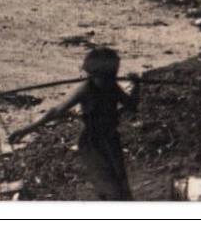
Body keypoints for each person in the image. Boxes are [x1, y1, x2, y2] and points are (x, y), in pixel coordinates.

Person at [11, 47, 141, 200]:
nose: (108, 81)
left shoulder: (111, 86)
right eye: (104, 78)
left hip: (111, 140)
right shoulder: (85, 89)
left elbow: (131, 106)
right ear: (93, 74)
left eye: (112, 76)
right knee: (110, 188)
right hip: (92, 144)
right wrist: (24, 130)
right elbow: (55, 112)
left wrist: (136, 86)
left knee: (122, 186)